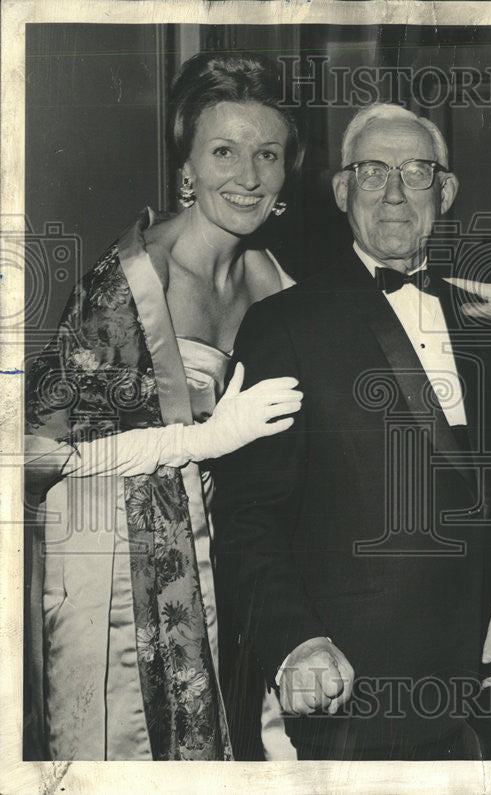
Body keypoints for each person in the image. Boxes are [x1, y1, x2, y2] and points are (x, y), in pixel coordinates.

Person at [210, 103, 491, 761]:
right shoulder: (285, 324)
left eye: (416, 172)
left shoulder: (486, 321)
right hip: (349, 692)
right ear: (340, 190)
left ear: (445, 191)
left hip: (479, 692)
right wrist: (296, 641)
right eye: (372, 171)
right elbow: (246, 516)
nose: (393, 193)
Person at [23, 51, 304, 761]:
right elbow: (37, 452)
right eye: (224, 151)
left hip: (215, 555)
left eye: (266, 154)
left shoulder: (277, 280)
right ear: (188, 164)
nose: (246, 176)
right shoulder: (129, 282)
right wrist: (201, 442)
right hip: (107, 563)